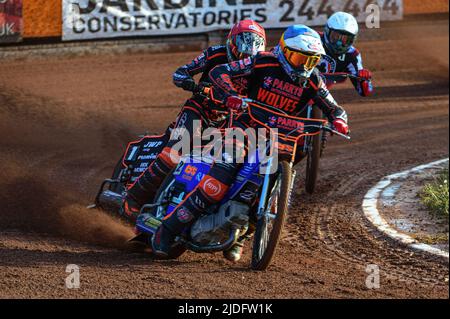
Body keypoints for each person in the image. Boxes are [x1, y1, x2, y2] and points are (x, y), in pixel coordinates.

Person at [150, 25, 349, 261]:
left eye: (311, 61)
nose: (304, 67)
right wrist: (230, 94)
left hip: (279, 139)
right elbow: (220, 72)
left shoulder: (314, 79)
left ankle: (240, 238)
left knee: (268, 194)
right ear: (284, 51)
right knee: (217, 184)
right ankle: (168, 229)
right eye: (299, 58)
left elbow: (334, 107)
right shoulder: (263, 61)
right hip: (244, 129)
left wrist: (339, 120)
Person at [121, 20, 267, 224]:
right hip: (199, 111)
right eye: (241, 54)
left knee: (222, 168)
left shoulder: (262, 68)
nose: (243, 60)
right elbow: (180, 73)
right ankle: (133, 199)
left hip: (230, 124)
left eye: (248, 57)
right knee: (173, 154)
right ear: (231, 44)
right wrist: (193, 85)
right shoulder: (214, 54)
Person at [317, 11, 373, 96]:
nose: (339, 43)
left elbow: (365, 92)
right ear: (327, 31)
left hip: (318, 94)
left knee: (333, 109)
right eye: (335, 37)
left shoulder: (352, 55)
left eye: (345, 40)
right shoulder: (313, 38)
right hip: (294, 83)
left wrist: (364, 79)